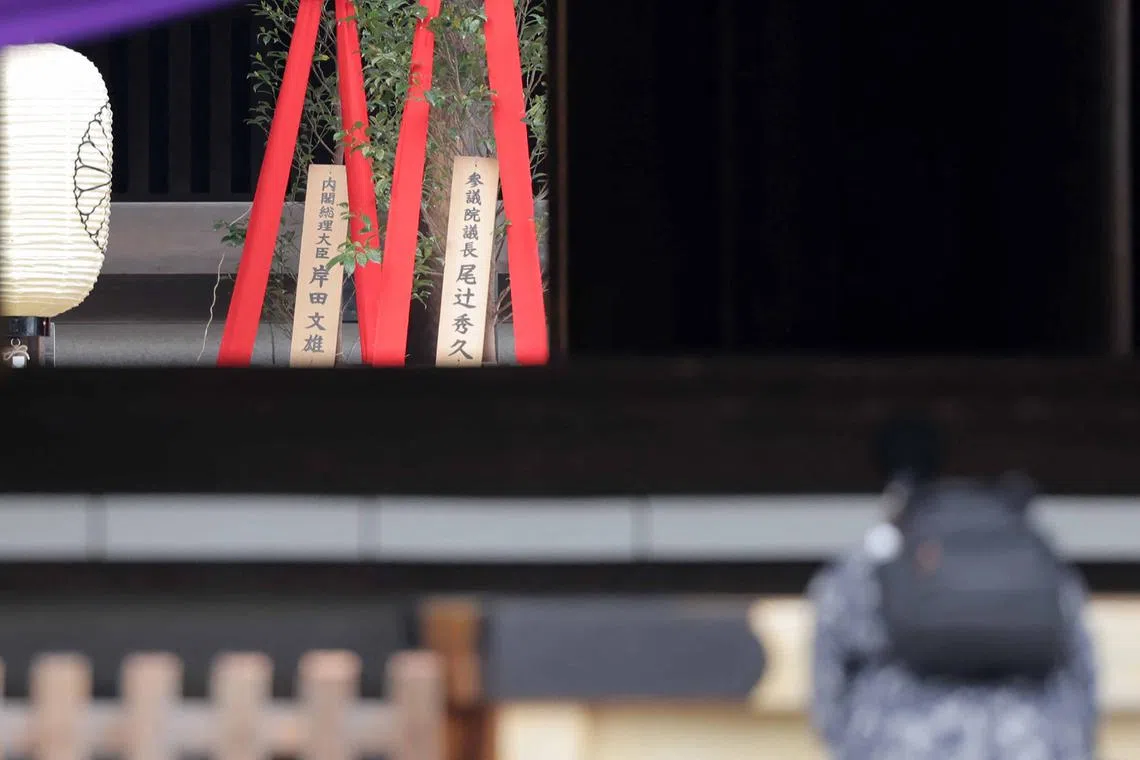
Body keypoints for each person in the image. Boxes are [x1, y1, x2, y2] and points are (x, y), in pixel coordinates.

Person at [808, 422, 1098, 760]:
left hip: (901, 742)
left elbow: (829, 683)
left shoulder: (874, 561)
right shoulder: (1034, 554)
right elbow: (1082, 671)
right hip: (1031, 741)